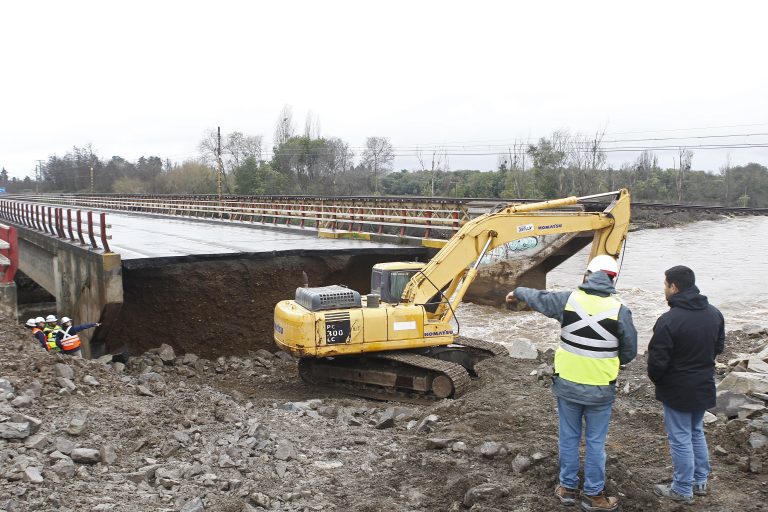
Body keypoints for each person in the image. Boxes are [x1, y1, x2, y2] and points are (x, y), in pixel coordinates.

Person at [506, 255, 637, 511]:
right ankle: (593, 496)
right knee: (596, 443)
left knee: (569, 437)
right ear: (613, 279)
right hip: (600, 389)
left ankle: (566, 489)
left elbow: (538, 299)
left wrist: (517, 291)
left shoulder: (568, 300)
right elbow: (629, 352)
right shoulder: (620, 310)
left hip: (567, 385)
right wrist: (606, 358)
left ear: (587, 275)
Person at [647, 265, 724, 503]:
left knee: (680, 437)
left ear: (674, 287)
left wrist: (660, 380)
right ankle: (699, 480)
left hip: (678, 388)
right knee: (695, 432)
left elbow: (657, 362)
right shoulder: (714, 313)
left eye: (665, 285)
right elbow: (718, 348)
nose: (664, 289)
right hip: (703, 383)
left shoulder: (669, 320)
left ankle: (682, 488)